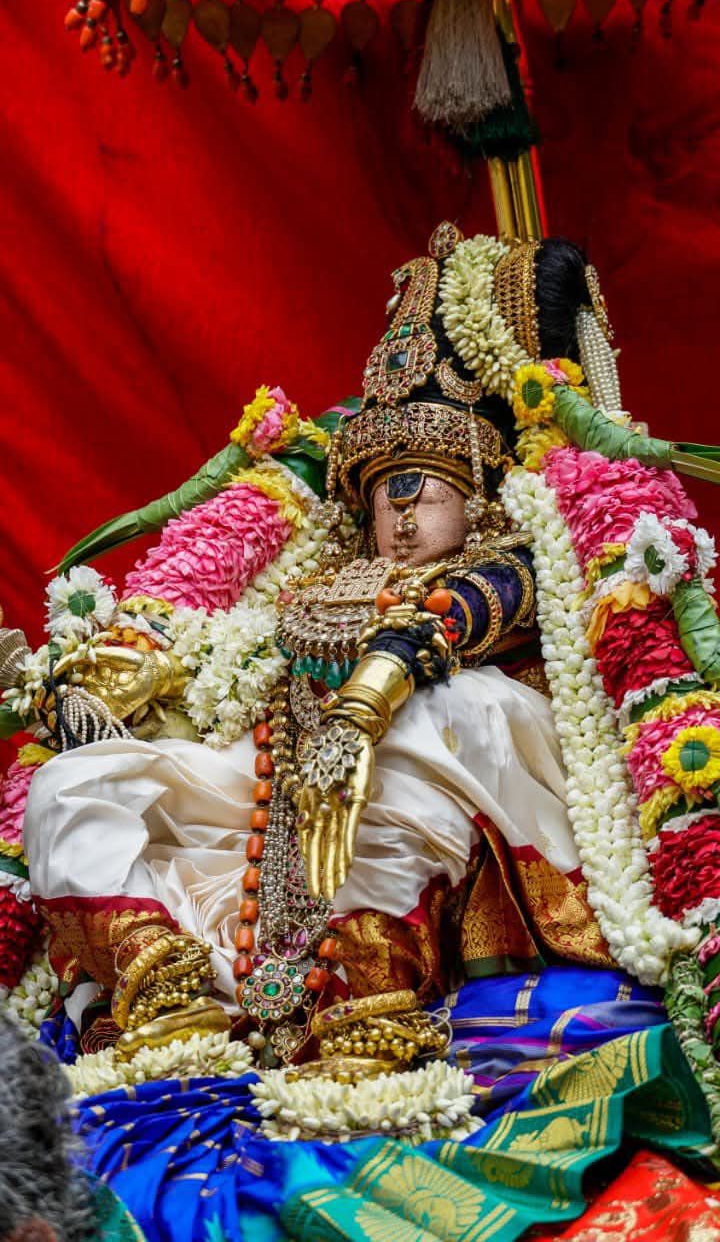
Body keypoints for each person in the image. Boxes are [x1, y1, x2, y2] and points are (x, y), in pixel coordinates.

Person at [9, 225, 680, 1068]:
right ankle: (170, 994)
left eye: (422, 489)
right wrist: (131, 692)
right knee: (72, 787)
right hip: (287, 794)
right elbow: (234, 676)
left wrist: (368, 702)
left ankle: (368, 1005)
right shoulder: (323, 577)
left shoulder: (515, 557)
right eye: (380, 493)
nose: (398, 514)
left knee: (441, 711)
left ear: (480, 490)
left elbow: (459, 616)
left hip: (457, 780)